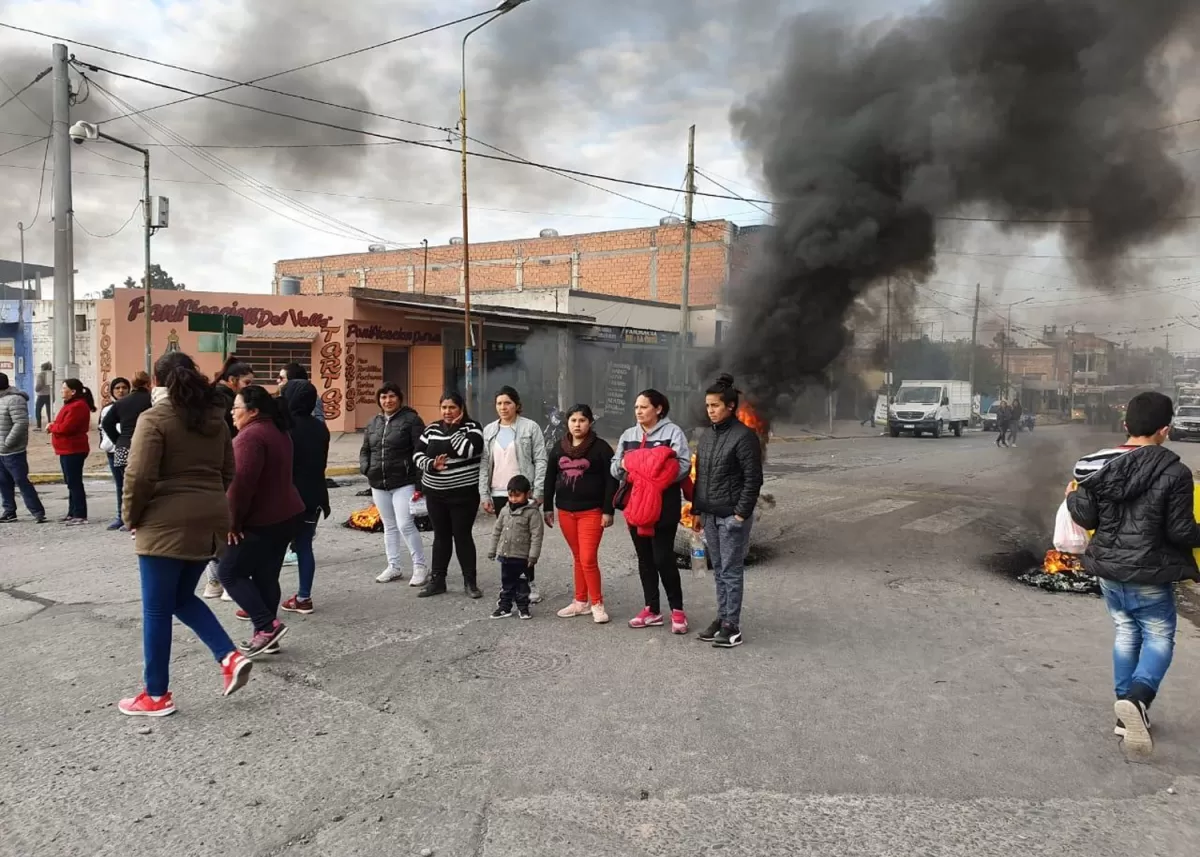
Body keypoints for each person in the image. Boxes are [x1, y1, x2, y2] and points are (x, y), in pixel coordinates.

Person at [118, 351, 252, 716]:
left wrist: (131, 516)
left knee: (157, 610)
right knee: (180, 598)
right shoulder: (216, 420)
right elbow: (228, 471)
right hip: (210, 516)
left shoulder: (155, 418)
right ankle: (228, 656)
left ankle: (156, 694)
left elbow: (139, 476)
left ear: (158, 382)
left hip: (165, 520)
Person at [1066, 391, 1200, 756]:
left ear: (1125, 426)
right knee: (1158, 637)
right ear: (1166, 430)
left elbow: (1087, 517)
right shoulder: (1175, 471)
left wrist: (1073, 497)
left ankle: (1125, 713)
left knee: (1126, 632)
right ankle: (1138, 700)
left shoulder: (1095, 466)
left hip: (1110, 571)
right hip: (1151, 572)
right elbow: (1180, 531)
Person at [219, 385, 305, 657]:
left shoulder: (250, 437)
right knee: (267, 575)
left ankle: (267, 626)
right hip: (286, 514)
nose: (232, 413)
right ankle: (266, 636)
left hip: (263, 519)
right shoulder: (278, 430)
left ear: (253, 411)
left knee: (229, 572)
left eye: (236, 408)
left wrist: (233, 524)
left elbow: (240, 486)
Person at [692, 375, 764, 649]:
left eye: (715, 405)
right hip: (710, 515)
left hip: (731, 517)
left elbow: (753, 479)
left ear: (731, 406)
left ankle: (732, 627)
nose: (710, 410)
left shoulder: (744, 437)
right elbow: (701, 476)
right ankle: (722, 618)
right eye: (708, 405)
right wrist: (697, 510)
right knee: (719, 570)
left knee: (731, 571)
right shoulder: (707, 436)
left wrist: (741, 515)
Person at [612, 388, 691, 633]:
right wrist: (634, 467)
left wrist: (654, 476)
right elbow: (616, 467)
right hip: (635, 506)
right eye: (636, 407)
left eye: (644, 407)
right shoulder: (629, 435)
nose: (638, 411)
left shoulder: (673, 433)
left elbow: (684, 466)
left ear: (658, 409)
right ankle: (652, 609)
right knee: (645, 559)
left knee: (662, 557)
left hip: (664, 506)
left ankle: (677, 611)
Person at [544, 404, 615, 624]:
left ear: (590, 423)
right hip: (565, 510)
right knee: (577, 557)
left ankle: (597, 603)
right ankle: (580, 601)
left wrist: (607, 511)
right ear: (567, 422)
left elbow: (611, 481)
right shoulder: (558, 447)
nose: (577, 424)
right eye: (573, 420)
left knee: (587, 558)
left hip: (591, 512)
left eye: (582, 420)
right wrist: (547, 507)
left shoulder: (601, 448)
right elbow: (549, 478)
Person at [479, 386, 548, 603]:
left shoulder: (530, 427)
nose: (503, 407)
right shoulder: (489, 430)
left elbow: (541, 459)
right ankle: (509, 583)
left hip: (524, 494)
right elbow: (484, 464)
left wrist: (538, 490)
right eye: (499, 403)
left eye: (507, 403)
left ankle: (529, 582)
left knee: (524, 541)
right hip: (500, 493)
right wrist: (484, 494)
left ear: (516, 405)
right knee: (507, 540)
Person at [413, 391, 485, 598]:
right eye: (444, 407)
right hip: (435, 493)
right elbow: (417, 453)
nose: (447, 411)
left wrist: (455, 428)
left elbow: (468, 450)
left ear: (461, 409)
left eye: (452, 407)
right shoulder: (431, 429)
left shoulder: (473, 428)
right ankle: (438, 580)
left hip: (464, 495)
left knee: (462, 536)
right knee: (441, 536)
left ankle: (470, 582)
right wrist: (431, 464)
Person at [360, 382, 428, 585]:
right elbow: (365, 449)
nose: (387, 401)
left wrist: (419, 485)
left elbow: (420, 451)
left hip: (403, 482)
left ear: (399, 398)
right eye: (383, 397)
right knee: (389, 526)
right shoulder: (373, 422)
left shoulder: (412, 420)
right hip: (378, 482)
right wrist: (366, 468)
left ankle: (420, 566)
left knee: (405, 524)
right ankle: (394, 566)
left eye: (391, 396)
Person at [203, 357, 255, 599]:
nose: (249, 387)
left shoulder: (211, 397)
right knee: (230, 526)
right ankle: (226, 579)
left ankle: (214, 581)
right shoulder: (226, 402)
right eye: (246, 382)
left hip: (213, 470)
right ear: (233, 381)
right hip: (222, 469)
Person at [279, 379, 330, 614]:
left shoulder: (282, 427)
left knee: (273, 550)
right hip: (314, 496)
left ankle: (261, 602)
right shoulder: (321, 428)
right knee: (304, 546)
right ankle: (304, 597)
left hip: (285, 498)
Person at [487, 475, 544, 620]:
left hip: (522, 557)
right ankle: (504, 607)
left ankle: (523, 608)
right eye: (511, 496)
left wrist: (533, 556)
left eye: (517, 496)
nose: (513, 499)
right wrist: (492, 550)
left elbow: (536, 536)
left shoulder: (532, 513)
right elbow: (497, 530)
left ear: (528, 494)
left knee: (522, 585)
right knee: (506, 583)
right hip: (506, 555)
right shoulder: (505, 511)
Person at [102, 372, 153, 532]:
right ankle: (145, 518)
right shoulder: (152, 401)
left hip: (124, 447)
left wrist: (119, 440)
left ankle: (126, 519)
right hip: (145, 444)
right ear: (148, 384)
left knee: (125, 486)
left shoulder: (122, 403)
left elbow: (106, 422)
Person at [0, 372, 46, 524]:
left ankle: (37, 512)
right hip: (1, 450)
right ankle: (9, 511)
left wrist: (7, 442)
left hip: (13, 450)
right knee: (3, 482)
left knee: (21, 481)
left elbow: (20, 423)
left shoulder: (15, 399)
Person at [47, 378, 96, 524]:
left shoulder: (78, 406)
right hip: (66, 449)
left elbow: (66, 428)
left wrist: (51, 427)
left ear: (73, 391)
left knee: (74, 482)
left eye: (64, 388)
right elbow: (61, 423)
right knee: (70, 482)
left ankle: (80, 514)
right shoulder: (70, 405)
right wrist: (54, 425)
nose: (62, 391)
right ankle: (72, 512)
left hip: (73, 449)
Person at [99, 377, 127, 528]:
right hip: (112, 450)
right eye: (117, 388)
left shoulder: (130, 406)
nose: (121, 391)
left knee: (128, 485)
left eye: (124, 387)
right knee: (119, 485)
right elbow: (103, 428)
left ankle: (129, 517)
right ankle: (120, 516)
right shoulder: (107, 409)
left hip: (125, 450)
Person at [34, 361, 52, 430]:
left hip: (41, 395)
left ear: (43, 368)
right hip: (49, 394)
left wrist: (36, 389)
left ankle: (38, 426)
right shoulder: (51, 374)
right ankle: (50, 426)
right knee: (49, 411)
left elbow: (39, 384)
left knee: (38, 410)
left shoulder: (41, 374)